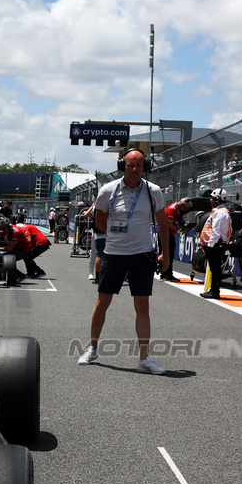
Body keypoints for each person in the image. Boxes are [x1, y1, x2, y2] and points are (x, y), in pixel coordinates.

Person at [78, 148, 169, 374]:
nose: (135, 170)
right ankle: (93, 348)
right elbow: (99, 223)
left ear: (145, 167)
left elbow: (163, 223)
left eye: (139, 165)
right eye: (130, 165)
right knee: (102, 302)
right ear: (123, 166)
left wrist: (166, 253)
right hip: (114, 254)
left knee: (142, 306)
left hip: (142, 255)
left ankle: (144, 359)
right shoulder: (108, 190)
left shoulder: (153, 191)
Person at [198, 188, 232, 300]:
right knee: (214, 268)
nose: (210, 200)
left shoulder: (220, 213)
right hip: (216, 244)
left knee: (215, 268)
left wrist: (210, 246)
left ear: (218, 199)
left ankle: (214, 291)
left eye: (212, 198)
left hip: (215, 245)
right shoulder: (220, 212)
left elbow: (216, 231)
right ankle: (213, 290)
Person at [158, 202, 185, 282]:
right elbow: (170, 223)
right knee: (166, 254)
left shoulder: (178, 210)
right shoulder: (172, 209)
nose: (185, 210)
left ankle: (168, 274)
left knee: (171, 254)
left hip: (170, 234)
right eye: (185, 208)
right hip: (166, 234)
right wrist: (180, 232)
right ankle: (164, 274)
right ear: (181, 205)